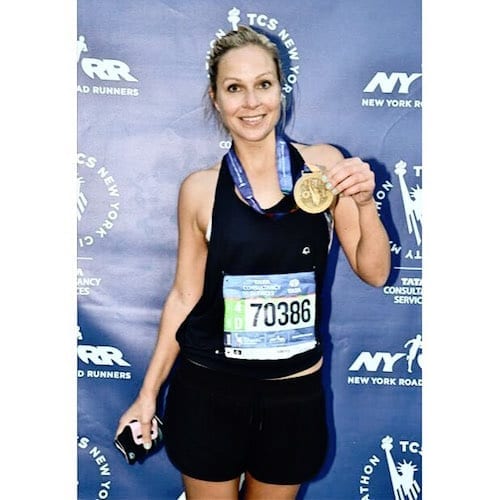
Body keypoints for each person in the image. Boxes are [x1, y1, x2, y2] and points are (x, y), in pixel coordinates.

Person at [116, 25, 391, 500]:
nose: (251, 103)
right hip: (209, 393)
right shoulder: (199, 190)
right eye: (234, 88)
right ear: (216, 98)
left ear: (280, 88)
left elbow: (376, 272)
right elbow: (185, 294)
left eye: (263, 84)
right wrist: (146, 395)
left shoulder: (324, 168)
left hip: (292, 398)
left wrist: (366, 204)